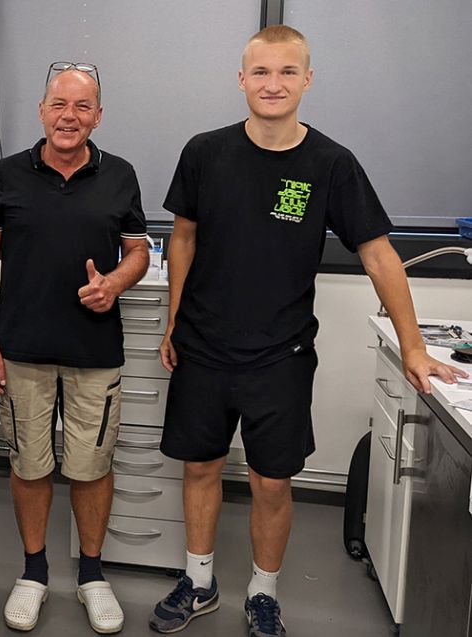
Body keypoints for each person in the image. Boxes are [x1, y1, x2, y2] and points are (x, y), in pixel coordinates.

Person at [148, 25, 468, 637]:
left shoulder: (330, 163)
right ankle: (199, 580)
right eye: (261, 72)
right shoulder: (205, 152)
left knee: (272, 480)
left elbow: (377, 253)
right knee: (199, 467)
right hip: (203, 347)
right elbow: (181, 237)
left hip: (281, 354)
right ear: (241, 79)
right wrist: (173, 321)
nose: (273, 84)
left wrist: (414, 347)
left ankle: (263, 593)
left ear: (308, 80)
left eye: (287, 72)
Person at [0, 61, 149, 634]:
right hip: (20, 348)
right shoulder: (6, 176)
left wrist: (114, 284)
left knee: (92, 465)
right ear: (42, 110)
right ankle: (33, 574)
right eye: (58, 104)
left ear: (97, 116)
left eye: (81, 107)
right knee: (29, 464)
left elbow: (138, 253)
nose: (68, 116)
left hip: (95, 350)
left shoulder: (120, 176)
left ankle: (92, 576)